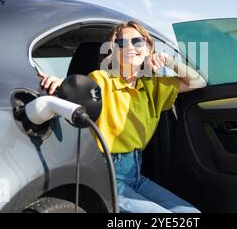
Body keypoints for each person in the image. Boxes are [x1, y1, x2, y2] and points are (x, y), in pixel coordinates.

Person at [38, 20, 207, 213]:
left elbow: (197, 82)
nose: (129, 47)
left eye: (137, 41)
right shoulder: (101, 80)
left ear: (148, 48)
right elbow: (81, 91)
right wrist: (62, 84)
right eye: (121, 43)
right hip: (106, 173)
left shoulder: (153, 86)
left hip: (135, 174)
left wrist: (168, 60)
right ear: (112, 51)